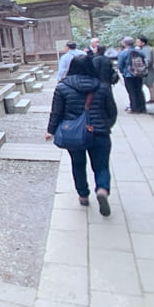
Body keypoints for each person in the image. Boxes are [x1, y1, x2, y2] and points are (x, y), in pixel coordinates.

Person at [46, 55, 117, 216]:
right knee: (101, 165)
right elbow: (111, 111)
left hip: (74, 133)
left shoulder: (62, 87)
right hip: (99, 132)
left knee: (77, 164)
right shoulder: (102, 86)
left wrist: (50, 130)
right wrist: (106, 125)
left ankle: (83, 195)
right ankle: (102, 190)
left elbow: (56, 112)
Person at [118, 36, 147, 113]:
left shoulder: (123, 53)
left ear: (124, 43)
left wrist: (122, 72)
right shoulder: (139, 51)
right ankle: (142, 107)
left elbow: (120, 65)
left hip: (128, 74)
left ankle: (134, 108)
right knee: (139, 90)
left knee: (131, 91)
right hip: (139, 73)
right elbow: (144, 60)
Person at [136, 35, 154, 104]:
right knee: (149, 84)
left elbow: (148, 60)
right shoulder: (142, 49)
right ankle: (152, 98)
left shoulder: (146, 49)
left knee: (149, 84)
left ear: (143, 43)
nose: (137, 43)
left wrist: (142, 65)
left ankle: (152, 98)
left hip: (148, 70)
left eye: (138, 41)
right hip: (145, 69)